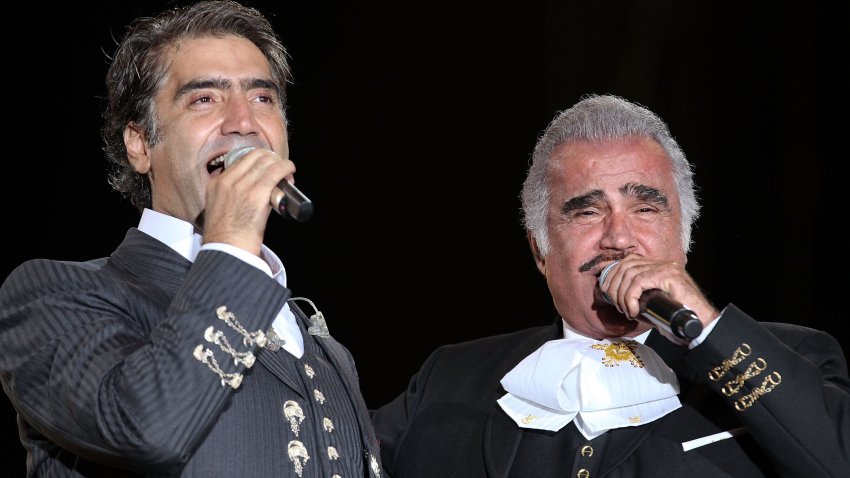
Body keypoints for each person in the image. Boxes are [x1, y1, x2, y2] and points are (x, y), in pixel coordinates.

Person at [370, 94, 850, 477]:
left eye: (646, 208)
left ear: (683, 240)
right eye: (586, 211)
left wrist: (707, 328)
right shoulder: (450, 379)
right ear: (540, 251)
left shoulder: (794, 356)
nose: (619, 239)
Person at [0, 1, 383, 476]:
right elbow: (143, 429)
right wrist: (232, 243)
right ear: (140, 144)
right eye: (205, 99)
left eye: (263, 98)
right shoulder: (54, 296)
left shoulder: (321, 344)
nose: (243, 122)